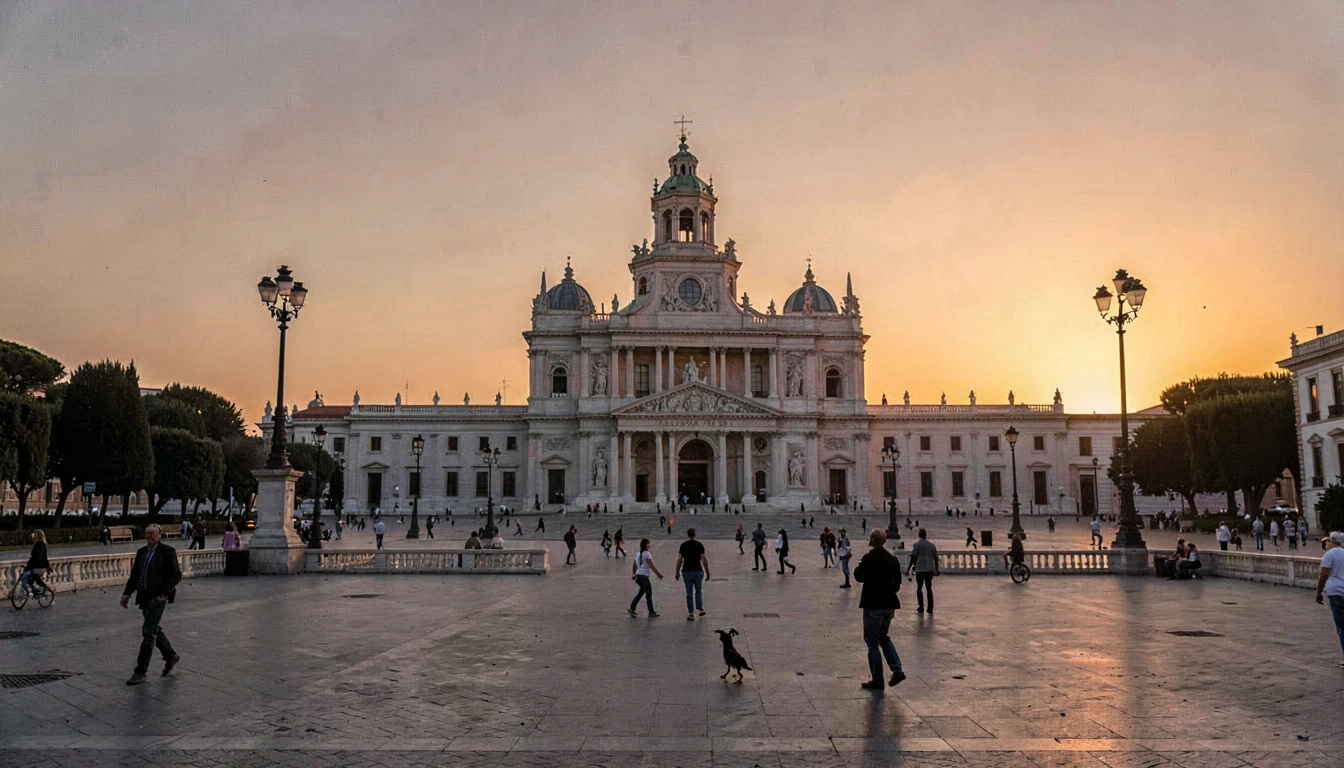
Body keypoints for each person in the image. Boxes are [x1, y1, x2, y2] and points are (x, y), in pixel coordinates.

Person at [120, 524, 182, 686]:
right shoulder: (142, 552)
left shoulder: (167, 552)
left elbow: (176, 574)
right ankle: (170, 655)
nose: (149, 536)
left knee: (148, 632)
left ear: (159, 535)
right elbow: (135, 575)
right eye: (147, 533)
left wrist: (165, 594)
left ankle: (140, 672)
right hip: (144, 596)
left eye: (152, 534)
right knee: (154, 628)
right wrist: (127, 593)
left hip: (158, 597)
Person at [853, 529, 905, 691]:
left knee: (872, 642)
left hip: (873, 606)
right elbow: (897, 586)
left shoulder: (868, 558)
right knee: (883, 637)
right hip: (889, 606)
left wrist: (858, 568)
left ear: (872, 540)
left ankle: (877, 679)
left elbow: (859, 577)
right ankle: (897, 669)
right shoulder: (893, 559)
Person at [1315, 532, 1344, 668]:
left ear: (1332, 542)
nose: (1326, 544)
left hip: (1336, 592)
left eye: (1327, 542)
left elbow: (1324, 574)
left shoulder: (1330, 555)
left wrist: (1319, 591)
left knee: (1341, 627)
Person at [674, 527, 710, 620]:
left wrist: (677, 572)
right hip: (698, 571)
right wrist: (707, 572)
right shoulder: (699, 545)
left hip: (686, 571)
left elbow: (679, 560)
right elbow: (704, 560)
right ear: (695, 534)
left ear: (687, 534)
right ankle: (700, 609)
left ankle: (690, 613)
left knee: (689, 593)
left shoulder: (683, 545)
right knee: (698, 591)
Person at [628, 538, 664, 617]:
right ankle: (651, 612)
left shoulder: (638, 554)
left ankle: (632, 608)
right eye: (649, 545)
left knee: (641, 592)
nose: (649, 546)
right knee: (649, 593)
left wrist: (634, 574)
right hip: (644, 576)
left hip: (638, 576)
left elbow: (634, 565)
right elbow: (652, 566)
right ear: (646, 545)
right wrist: (659, 575)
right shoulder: (646, 554)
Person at [907, 528, 939, 614]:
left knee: (919, 588)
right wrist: (936, 568)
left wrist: (909, 568)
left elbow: (914, 557)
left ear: (919, 535)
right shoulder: (931, 545)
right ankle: (930, 608)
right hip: (929, 568)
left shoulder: (917, 545)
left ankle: (921, 606)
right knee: (929, 588)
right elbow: (936, 558)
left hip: (920, 569)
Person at [20, 530, 51, 598]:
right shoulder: (40, 544)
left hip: (39, 567)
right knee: (26, 577)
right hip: (37, 566)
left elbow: (38, 557)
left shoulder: (40, 545)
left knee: (24, 578)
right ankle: (35, 590)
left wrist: (31, 565)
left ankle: (37, 590)